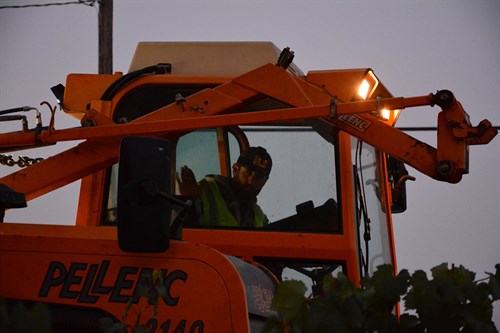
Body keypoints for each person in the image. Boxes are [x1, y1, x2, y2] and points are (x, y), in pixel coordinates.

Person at [176, 146, 272, 227]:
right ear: (235, 169)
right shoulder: (204, 190)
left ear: (265, 181)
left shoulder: (259, 217)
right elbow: (178, 230)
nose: (251, 181)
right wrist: (188, 200)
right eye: (248, 172)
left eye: (258, 178)